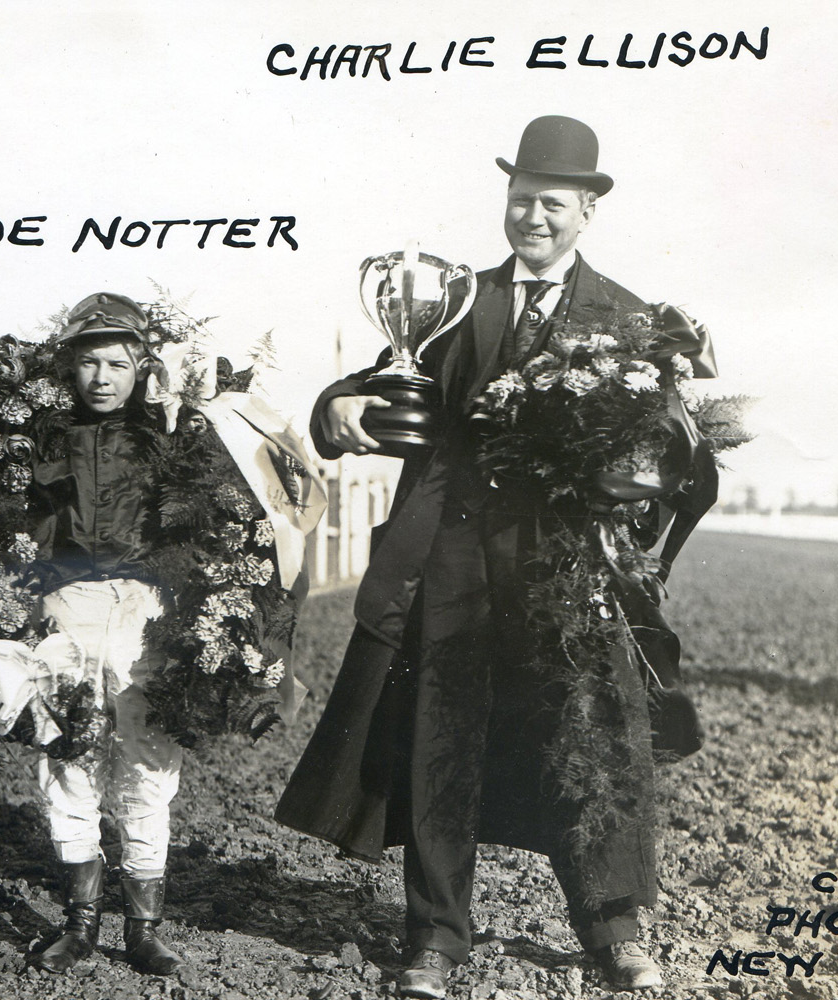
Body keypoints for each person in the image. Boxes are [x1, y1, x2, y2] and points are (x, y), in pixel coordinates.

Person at [277, 116, 708, 995]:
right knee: (444, 740)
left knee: (588, 743)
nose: (533, 217)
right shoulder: (452, 303)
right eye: (520, 199)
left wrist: (647, 479)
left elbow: (681, 457)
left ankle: (613, 928)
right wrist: (341, 415)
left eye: (553, 202)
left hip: (570, 573)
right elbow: (368, 386)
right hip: (455, 563)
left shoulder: (630, 318)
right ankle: (435, 935)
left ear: (588, 210)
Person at [21, 292, 186, 977]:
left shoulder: (166, 434)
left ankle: (144, 927)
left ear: (141, 368)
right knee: (70, 750)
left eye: (117, 363)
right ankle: (80, 921)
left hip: (142, 604)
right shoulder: (45, 436)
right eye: (88, 363)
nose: (101, 377)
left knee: (146, 755)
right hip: (68, 602)